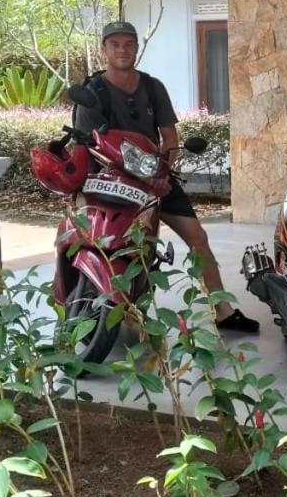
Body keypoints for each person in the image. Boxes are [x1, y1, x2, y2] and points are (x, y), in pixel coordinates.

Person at [74, 20, 259, 334]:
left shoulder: (152, 87)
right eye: (115, 44)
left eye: (128, 44)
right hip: (111, 183)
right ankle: (107, 307)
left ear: (136, 48)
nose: (122, 50)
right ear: (104, 49)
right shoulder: (93, 92)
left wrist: (163, 169)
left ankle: (223, 310)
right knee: (117, 244)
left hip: (154, 177)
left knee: (197, 237)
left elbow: (169, 135)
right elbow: (88, 145)